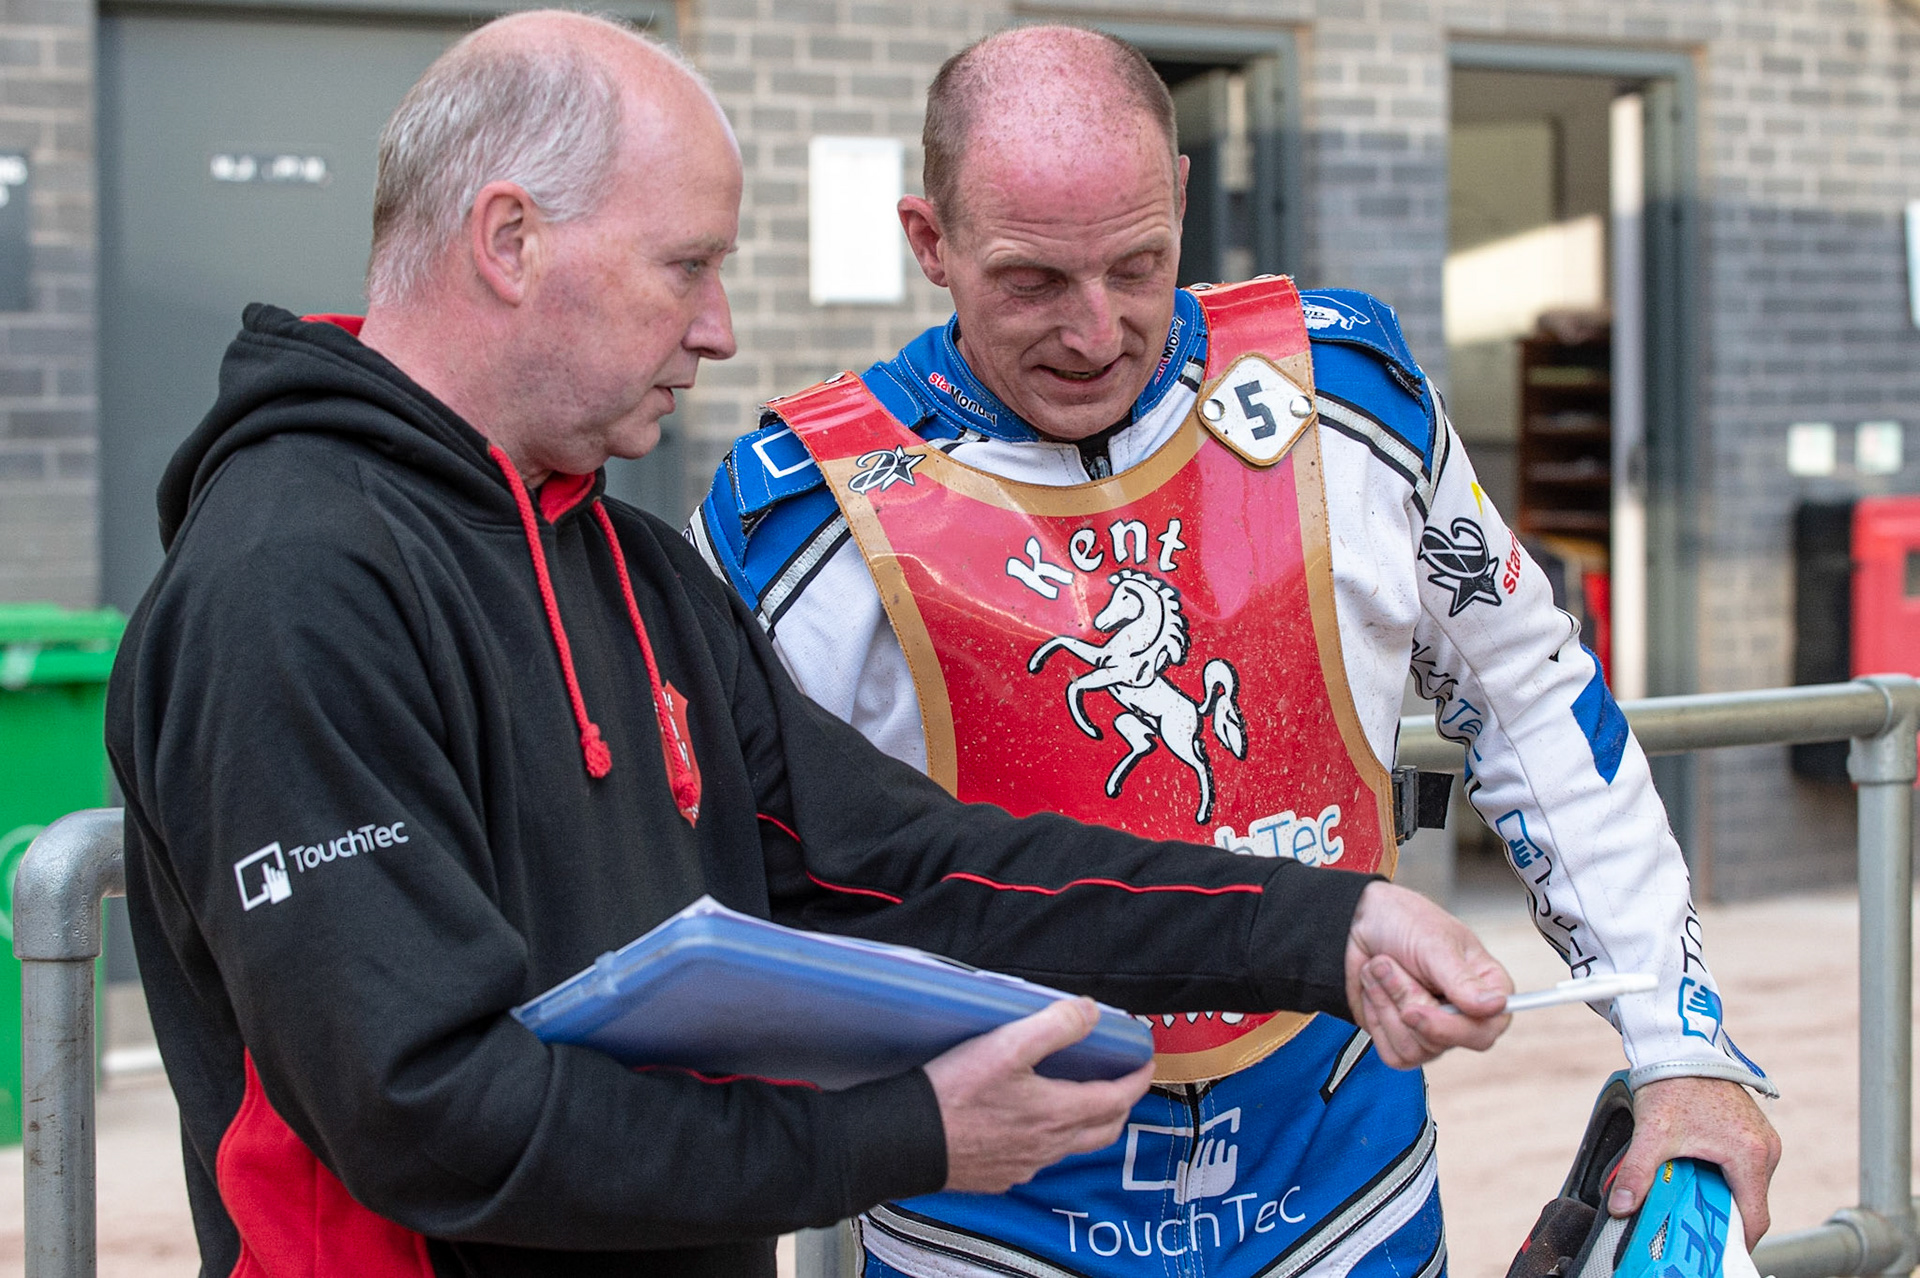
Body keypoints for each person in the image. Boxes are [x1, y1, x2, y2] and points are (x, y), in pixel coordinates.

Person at [105, 13, 1515, 1278]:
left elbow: (914, 868)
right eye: (688, 268)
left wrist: (1324, 923)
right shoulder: (290, 586)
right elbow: (428, 1109)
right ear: (511, 240)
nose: (719, 330)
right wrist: (904, 1133)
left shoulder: (631, 566)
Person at [690, 24, 1783, 1276]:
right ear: (929, 242)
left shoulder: (1351, 395)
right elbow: (715, 891)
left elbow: (1533, 695)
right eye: (1034, 281)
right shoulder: (796, 512)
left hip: (1346, 1196)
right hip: (983, 1232)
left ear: (1185, 198)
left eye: (1141, 265)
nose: (1097, 331)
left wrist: (1681, 1046)